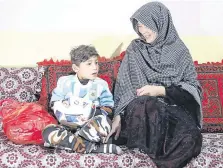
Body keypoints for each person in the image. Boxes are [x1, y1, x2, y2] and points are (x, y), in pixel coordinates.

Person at [105, 2, 202, 168]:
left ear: (160, 22)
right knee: (147, 105)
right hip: (143, 111)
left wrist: (161, 90)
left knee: (193, 138)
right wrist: (118, 115)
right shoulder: (136, 49)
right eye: (139, 25)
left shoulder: (180, 51)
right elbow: (125, 86)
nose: (142, 31)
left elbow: (191, 89)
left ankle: (164, 161)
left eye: (146, 25)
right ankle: (153, 141)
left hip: (172, 109)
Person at [42, 45, 122, 154]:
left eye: (96, 62)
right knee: (48, 132)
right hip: (68, 126)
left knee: (105, 123)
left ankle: (73, 143)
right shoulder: (65, 82)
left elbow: (108, 108)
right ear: (76, 68)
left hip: (90, 126)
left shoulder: (101, 84)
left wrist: (91, 112)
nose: (95, 67)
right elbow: (54, 103)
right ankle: (94, 148)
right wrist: (64, 107)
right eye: (89, 64)